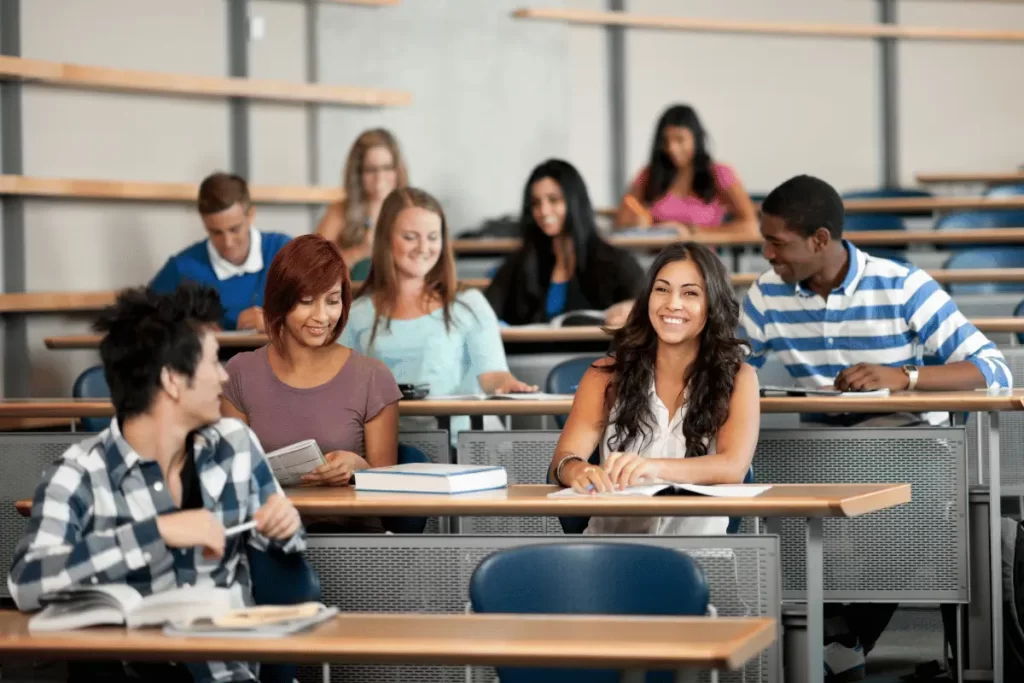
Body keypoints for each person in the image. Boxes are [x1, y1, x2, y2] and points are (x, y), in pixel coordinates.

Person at [739, 174, 1012, 681]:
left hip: (905, 443)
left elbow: (993, 369)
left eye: (777, 243)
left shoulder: (902, 284)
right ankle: (829, 636)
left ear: (820, 240)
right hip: (817, 446)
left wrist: (904, 377)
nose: (767, 255)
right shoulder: (766, 295)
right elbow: (733, 366)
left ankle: (842, 634)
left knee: (926, 518)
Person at [8, 284, 304, 683]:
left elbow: (285, 547)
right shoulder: (77, 473)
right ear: (172, 380)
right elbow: (28, 581)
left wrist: (284, 526)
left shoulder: (235, 446)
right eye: (215, 362)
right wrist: (157, 533)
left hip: (225, 675)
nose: (223, 377)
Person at [548, 242, 759, 535]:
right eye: (662, 290)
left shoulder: (739, 377)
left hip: (701, 552)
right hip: (612, 549)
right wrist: (577, 469)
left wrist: (652, 468)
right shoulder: (605, 374)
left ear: (712, 305)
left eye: (690, 293)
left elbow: (732, 466)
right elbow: (563, 460)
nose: (672, 303)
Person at [341, 187, 537, 437]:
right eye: (410, 237)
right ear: (386, 238)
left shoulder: (469, 303)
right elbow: (343, 390)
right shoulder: (358, 314)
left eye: (433, 237)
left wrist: (508, 385)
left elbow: (493, 374)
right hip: (386, 450)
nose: (424, 248)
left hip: (458, 446)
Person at [221, 234, 401, 494]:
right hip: (270, 529)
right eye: (306, 301)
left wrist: (359, 468)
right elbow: (231, 481)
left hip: (352, 531)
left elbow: (390, 493)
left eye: (332, 301)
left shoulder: (373, 377)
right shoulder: (240, 373)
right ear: (281, 301)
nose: (321, 316)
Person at [485, 159, 645, 327]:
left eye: (554, 200)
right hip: (532, 353)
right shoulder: (519, 264)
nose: (543, 211)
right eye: (536, 203)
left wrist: (629, 309)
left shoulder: (616, 263)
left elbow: (646, 306)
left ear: (574, 202)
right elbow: (486, 312)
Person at [151, 172, 291, 332]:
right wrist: (186, 329)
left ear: (251, 215)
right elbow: (141, 324)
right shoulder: (182, 268)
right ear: (204, 223)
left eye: (234, 229)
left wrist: (274, 322)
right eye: (216, 232)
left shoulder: (285, 252)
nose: (228, 242)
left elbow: (319, 313)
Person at [614, 104, 757, 239]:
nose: (672, 148)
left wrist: (692, 232)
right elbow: (620, 222)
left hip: (698, 257)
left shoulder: (718, 173)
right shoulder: (649, 174)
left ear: (696, 138)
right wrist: (637, 223)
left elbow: (750, 226)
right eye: (665, 141)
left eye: (679, 139)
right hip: (656, 258)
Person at [316, 129, 409, 281]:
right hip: (353, 299)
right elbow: (311, 269)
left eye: (387, 167)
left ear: (398, 170)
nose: (380, 177)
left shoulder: (410, 210)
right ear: (358, 174)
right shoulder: (340, 211)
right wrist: (360, 252)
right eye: (371, 170)